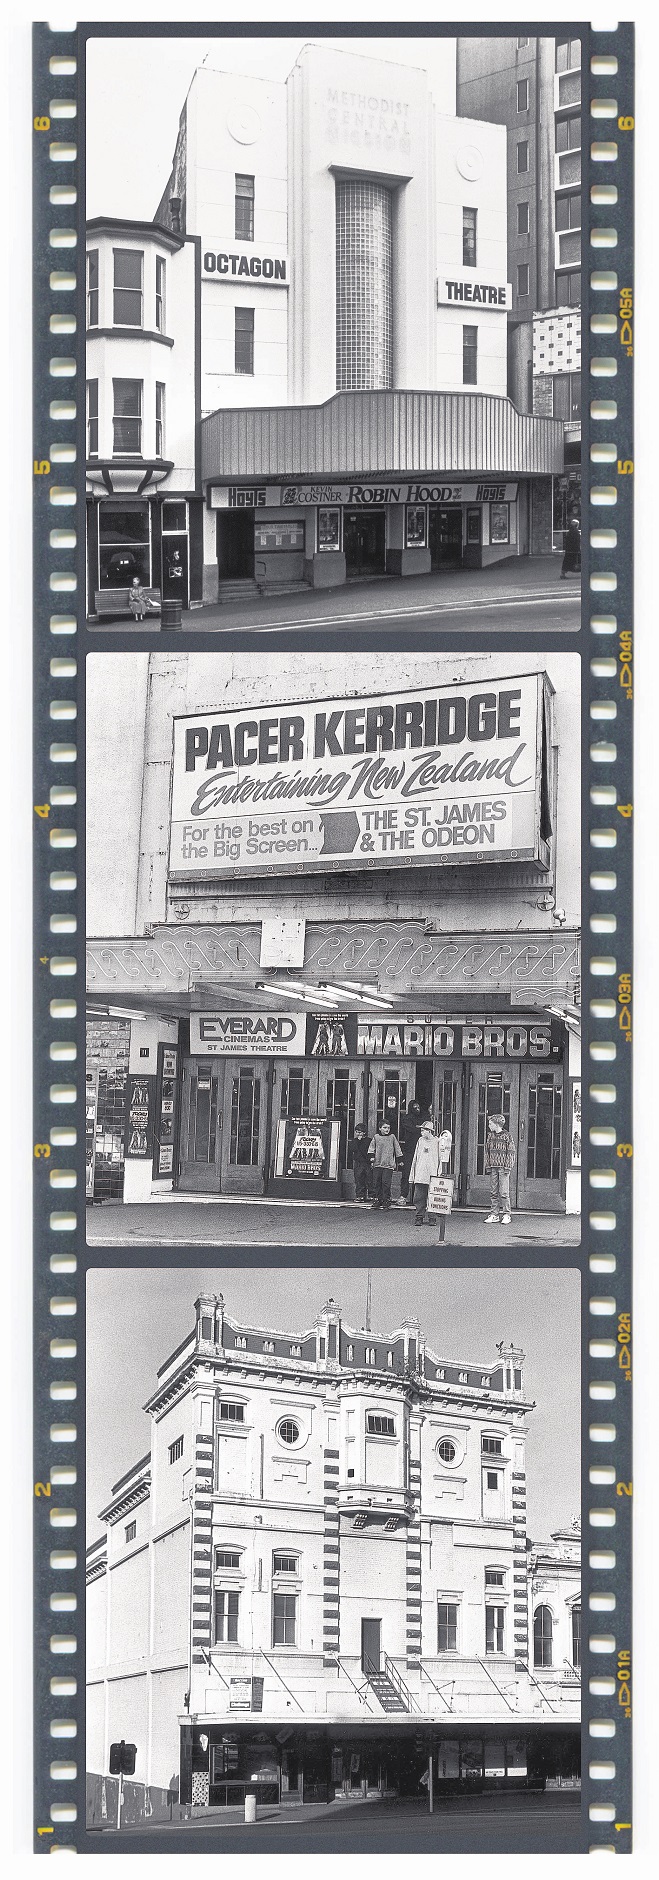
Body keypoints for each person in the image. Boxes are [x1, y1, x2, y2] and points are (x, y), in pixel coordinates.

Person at [409, 1121, 452, 1225]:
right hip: (420, 1173)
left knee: (432, 1196)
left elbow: (440, 1158)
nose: (421, 1132)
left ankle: (432, 1217)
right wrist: (413, 1175)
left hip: (432, 1173)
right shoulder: (420, 1141)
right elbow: (416, 1157)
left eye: (423, 1130)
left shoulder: (437, 1141)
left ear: (429, 1131)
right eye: (421, 1130)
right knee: (419, 1197)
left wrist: (439, 1173)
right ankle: (419, 1216)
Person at [484, 1112, 516, 1225]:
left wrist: (508, 1167)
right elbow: (487, 1151)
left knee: (504, 1192)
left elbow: (511, 1152)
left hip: (503, 1168)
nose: (489, 1125)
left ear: (496, 1124)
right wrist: (488, 1165)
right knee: (493, 1191)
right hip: (493, 1167)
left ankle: (507, 1214)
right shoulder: (490, 1136)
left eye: (490, 1123)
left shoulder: (507, 1136)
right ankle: (494, 1214)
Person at [368, 1120, 402, 1211]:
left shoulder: (392, 1137)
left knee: (386, 1183)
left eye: (388, 1128)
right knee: (377, 1182)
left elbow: (397, 1148)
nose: (387, 1129)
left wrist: (399, 1159)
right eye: (384, 1127)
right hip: (378, 1163)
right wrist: (371, 1157)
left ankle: (386, 1199)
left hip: (388, 1164)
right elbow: (371, 1147)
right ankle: (377, 1199)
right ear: (380, 1128)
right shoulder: (376, 1137)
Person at [395, 1101, 422, 1206]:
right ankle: (403, 1196)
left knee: (419, 1175)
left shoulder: (420, 1118)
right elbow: (411, 1129)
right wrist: (419, 1128)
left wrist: (417, 1128)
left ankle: (417, 1198)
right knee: (406, 1174)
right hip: (409, 1150)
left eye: (418, 1107)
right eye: (415, 1107)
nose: (417, 1109)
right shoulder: (406, 1119)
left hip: (421, 1150)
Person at [350, 1125, 372, 1202]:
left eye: (360, 1132)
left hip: (367, 1162)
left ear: (364, 1133)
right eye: (356, 1132)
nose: (358, 1134)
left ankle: (372, 1195)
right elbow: (353, 1149)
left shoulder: (369, 1141)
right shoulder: (354, 1141)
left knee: (370, 1179)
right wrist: (358, 1141)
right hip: (358, 1162)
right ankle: (360, 1195)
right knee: (359, 1179)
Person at [561, 507, 581, 578]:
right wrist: (579, 549)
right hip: (575, 550)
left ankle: (563, 573)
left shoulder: (569, 532)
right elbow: (577, 541)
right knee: (578, 561)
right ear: (576, 525)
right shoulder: (576, 532)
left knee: (566, 562)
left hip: (569, 550)